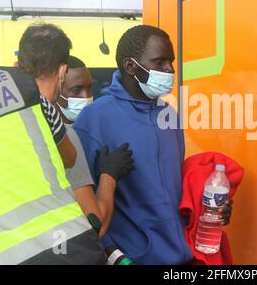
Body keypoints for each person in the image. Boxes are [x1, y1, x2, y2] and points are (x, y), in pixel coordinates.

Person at [74, 25, 232, 265]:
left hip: (184, 257)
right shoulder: (94, 119)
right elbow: (79, 202)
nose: (169, 69)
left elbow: (174, 189)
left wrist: (209, 209)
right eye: (160, 62)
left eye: (171, 61)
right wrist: (114, 255)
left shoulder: (169, 115)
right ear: (130, 67)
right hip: (133, 259)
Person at [0, 23, 104, 264]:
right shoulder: (43, 108)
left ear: (17, 66)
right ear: (63, 71)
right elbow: (70, 158)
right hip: (70, 246)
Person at [55, 56, 134, 238]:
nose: (86, 97)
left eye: (90, 88)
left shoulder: (97, 128)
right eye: (77, 90)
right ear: (55, 91)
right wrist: (109, 176)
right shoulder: (63, 139)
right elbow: (95, 226)